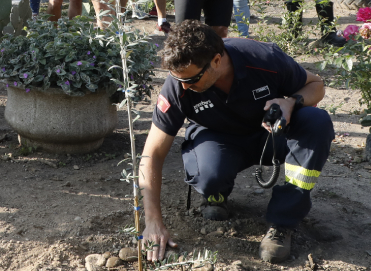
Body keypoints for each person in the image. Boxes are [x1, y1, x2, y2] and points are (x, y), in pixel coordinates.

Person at [138, 21, 333, 264]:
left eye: (193, 79)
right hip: (217, 138)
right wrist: (152, 221)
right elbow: (152, 154)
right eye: (179, 79)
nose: (185, 86)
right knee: (209, 175)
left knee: (317, 121)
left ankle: (283, 222)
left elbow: (316, 84)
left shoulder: (263, 58)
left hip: (269, 135)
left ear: (216, 60)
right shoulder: (178, 86)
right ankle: (216, 194)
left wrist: (291, 102)